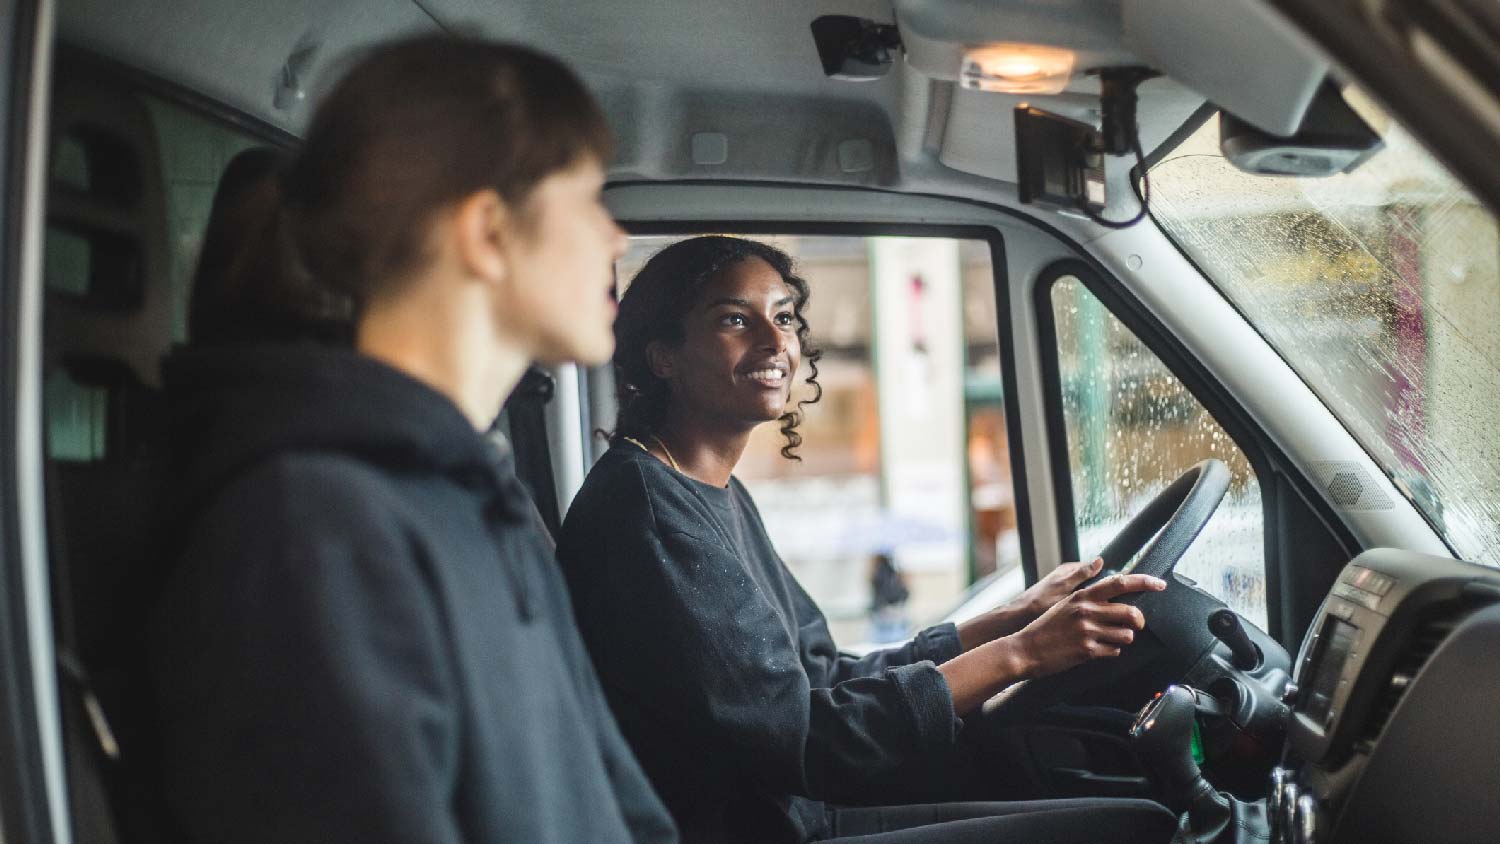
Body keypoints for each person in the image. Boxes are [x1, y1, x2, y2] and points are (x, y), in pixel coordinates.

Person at [147, 36, 676, 844]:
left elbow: (619, 811)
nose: (616, 240)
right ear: (488, 232)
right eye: (589, 201)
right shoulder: (312, 529)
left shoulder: (478, 493)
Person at [556, 236, 1177, 844]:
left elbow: (820, 677)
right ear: (662, 355)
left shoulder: (708, 490)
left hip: (797, 814)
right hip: (764, 827)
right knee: (1143, 827)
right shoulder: (650, 513)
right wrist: (1022, 655)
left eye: (784, 318)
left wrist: (1006, 622)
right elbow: (808, 742)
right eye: (734, 320)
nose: (775, 343)